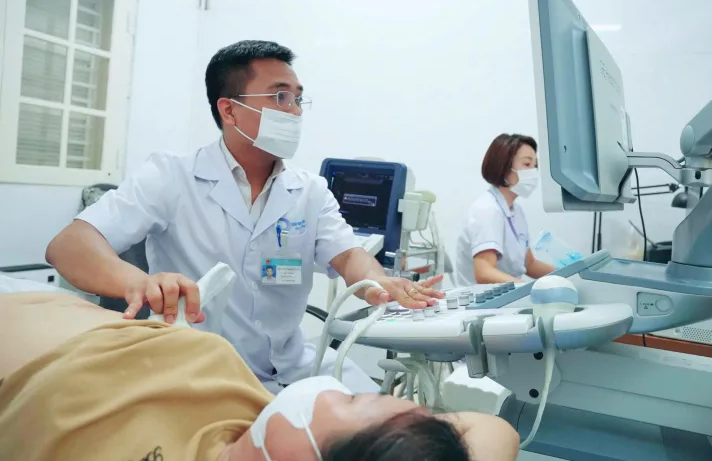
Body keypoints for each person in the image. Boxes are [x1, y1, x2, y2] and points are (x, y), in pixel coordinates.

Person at [45, 40, 444, 393]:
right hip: (200, 371)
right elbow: (69, 247)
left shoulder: (309, 190)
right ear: (230, 110)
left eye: (298, 99)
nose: (294, 111)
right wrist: (139, 282)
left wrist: (377, 282)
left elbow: (348, 255)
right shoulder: (171, 176)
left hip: (296, 368)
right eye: (280, 97)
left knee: (387, 419)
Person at [0, 292, 520, 461]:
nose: (339, 390)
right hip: (103, 317)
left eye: (355, 402)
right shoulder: (253, 428)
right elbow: (497, 431)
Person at [455, 134, 555, 286]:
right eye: (527, 164)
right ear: (504, 166)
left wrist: (570, 276)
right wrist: (526, 288)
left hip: (507, 294)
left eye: (535, 165)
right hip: (482, 298)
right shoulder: (487, 209)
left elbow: (529, 264)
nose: (533, 172)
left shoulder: (516, 211)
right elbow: (484, 272)